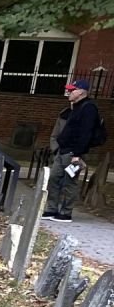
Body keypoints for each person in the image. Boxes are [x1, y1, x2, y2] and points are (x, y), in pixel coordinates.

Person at [46, 79, 106, 222]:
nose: (69, 92)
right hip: (63, 150)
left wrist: (77, 154)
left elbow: (85, 133)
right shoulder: (75, 108)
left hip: (73, 152)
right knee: (54, 178)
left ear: (80, 92)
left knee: (69, 181)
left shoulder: (88, 108)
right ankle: (51, 208)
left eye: (72, 90)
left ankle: (65, 212)